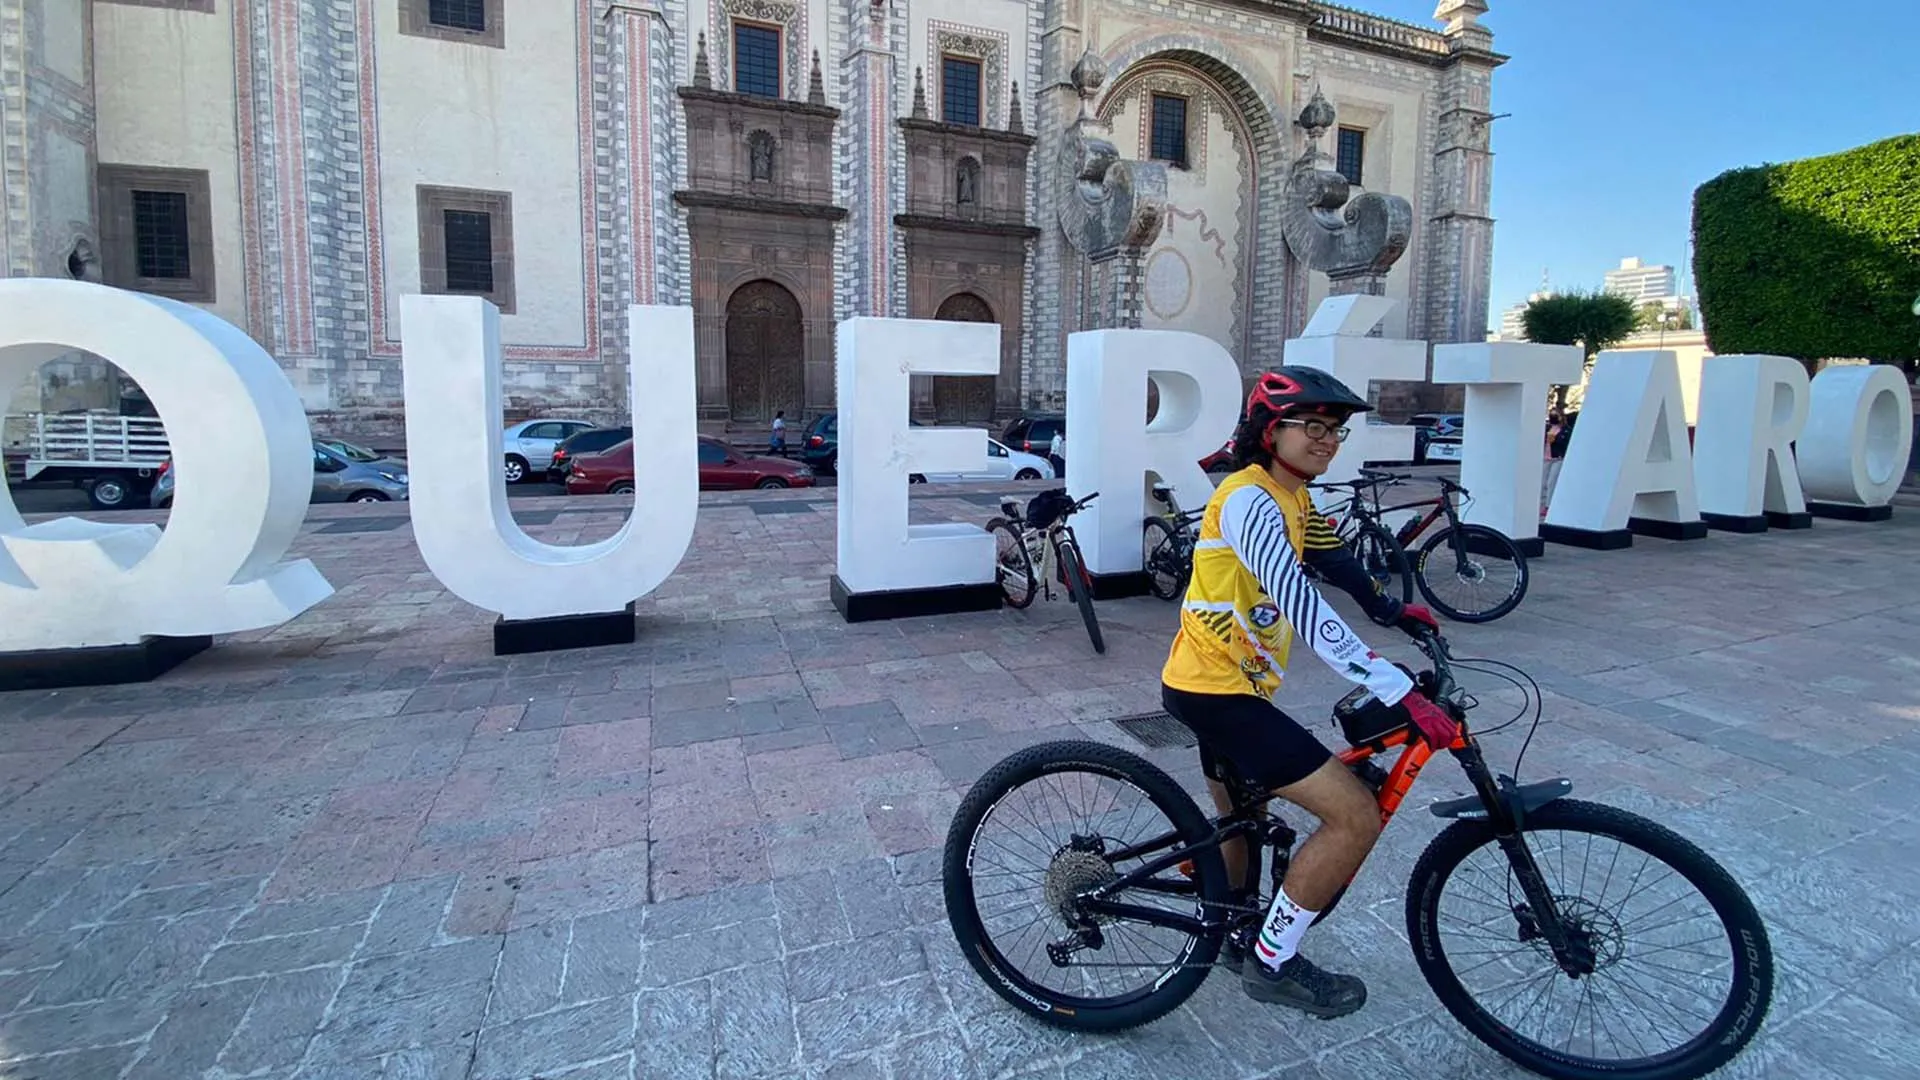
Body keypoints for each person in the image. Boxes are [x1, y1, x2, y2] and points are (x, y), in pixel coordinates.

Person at [1159, 366, 1457, 1019]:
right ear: (1272, 431)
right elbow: (1298, 597)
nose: (1329, 440)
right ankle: (1271, 963)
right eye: (1314, 426)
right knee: (1354, 816)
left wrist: (1392, 610)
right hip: (1216, 691)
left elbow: (1333, 557)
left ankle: (1236, 931)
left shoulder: (1293, 497)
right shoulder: (1248, 499)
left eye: (1338, 431)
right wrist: (1391, 683)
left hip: (1224, 685)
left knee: (1246, 815)